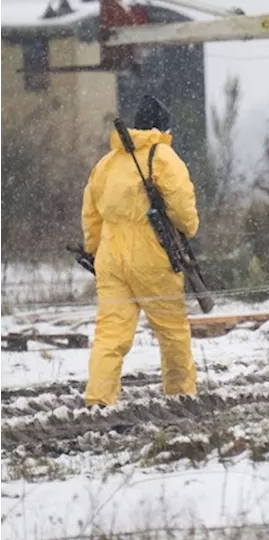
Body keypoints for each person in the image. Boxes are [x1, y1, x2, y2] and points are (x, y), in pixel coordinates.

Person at [82, 95, 199, 407]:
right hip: (152, 254)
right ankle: (180, 395)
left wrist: (95, 252)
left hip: (109, 257)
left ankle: (98, 400)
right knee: (172, 330)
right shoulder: (163, 157)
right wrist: (189, 230)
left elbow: (91, 216)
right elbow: (183, 211)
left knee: (110, 334)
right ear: (163, 126)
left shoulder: (105, 164)